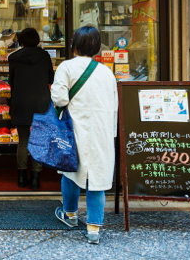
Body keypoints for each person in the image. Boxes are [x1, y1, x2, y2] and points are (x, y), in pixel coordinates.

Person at [50, 25, 117, 245]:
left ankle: (69, 215)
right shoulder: (107, 72)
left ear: (74, 45)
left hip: (75, 129)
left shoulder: (66, 67)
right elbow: (113, 105)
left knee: (70, 172)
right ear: (97, 47)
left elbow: (59, 99)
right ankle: (94, 229)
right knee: (96, 177)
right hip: (101, 131)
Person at [8, 28, 53, 189]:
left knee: (23, 140)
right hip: (41, 101)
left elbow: (11, 81)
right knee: (39, 140)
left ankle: (21, 176)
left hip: (20, 101)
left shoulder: (13, 58)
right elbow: (50, 78)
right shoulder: (45, 56)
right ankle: (35, 177)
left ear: (21, 41)